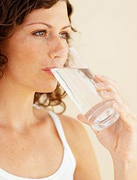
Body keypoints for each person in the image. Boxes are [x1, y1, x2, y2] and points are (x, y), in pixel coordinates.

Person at [0, 0, 136, 180]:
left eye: (63, 34)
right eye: (40, 32)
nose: (60, 49)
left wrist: (123, 158)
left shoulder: (71, 134)